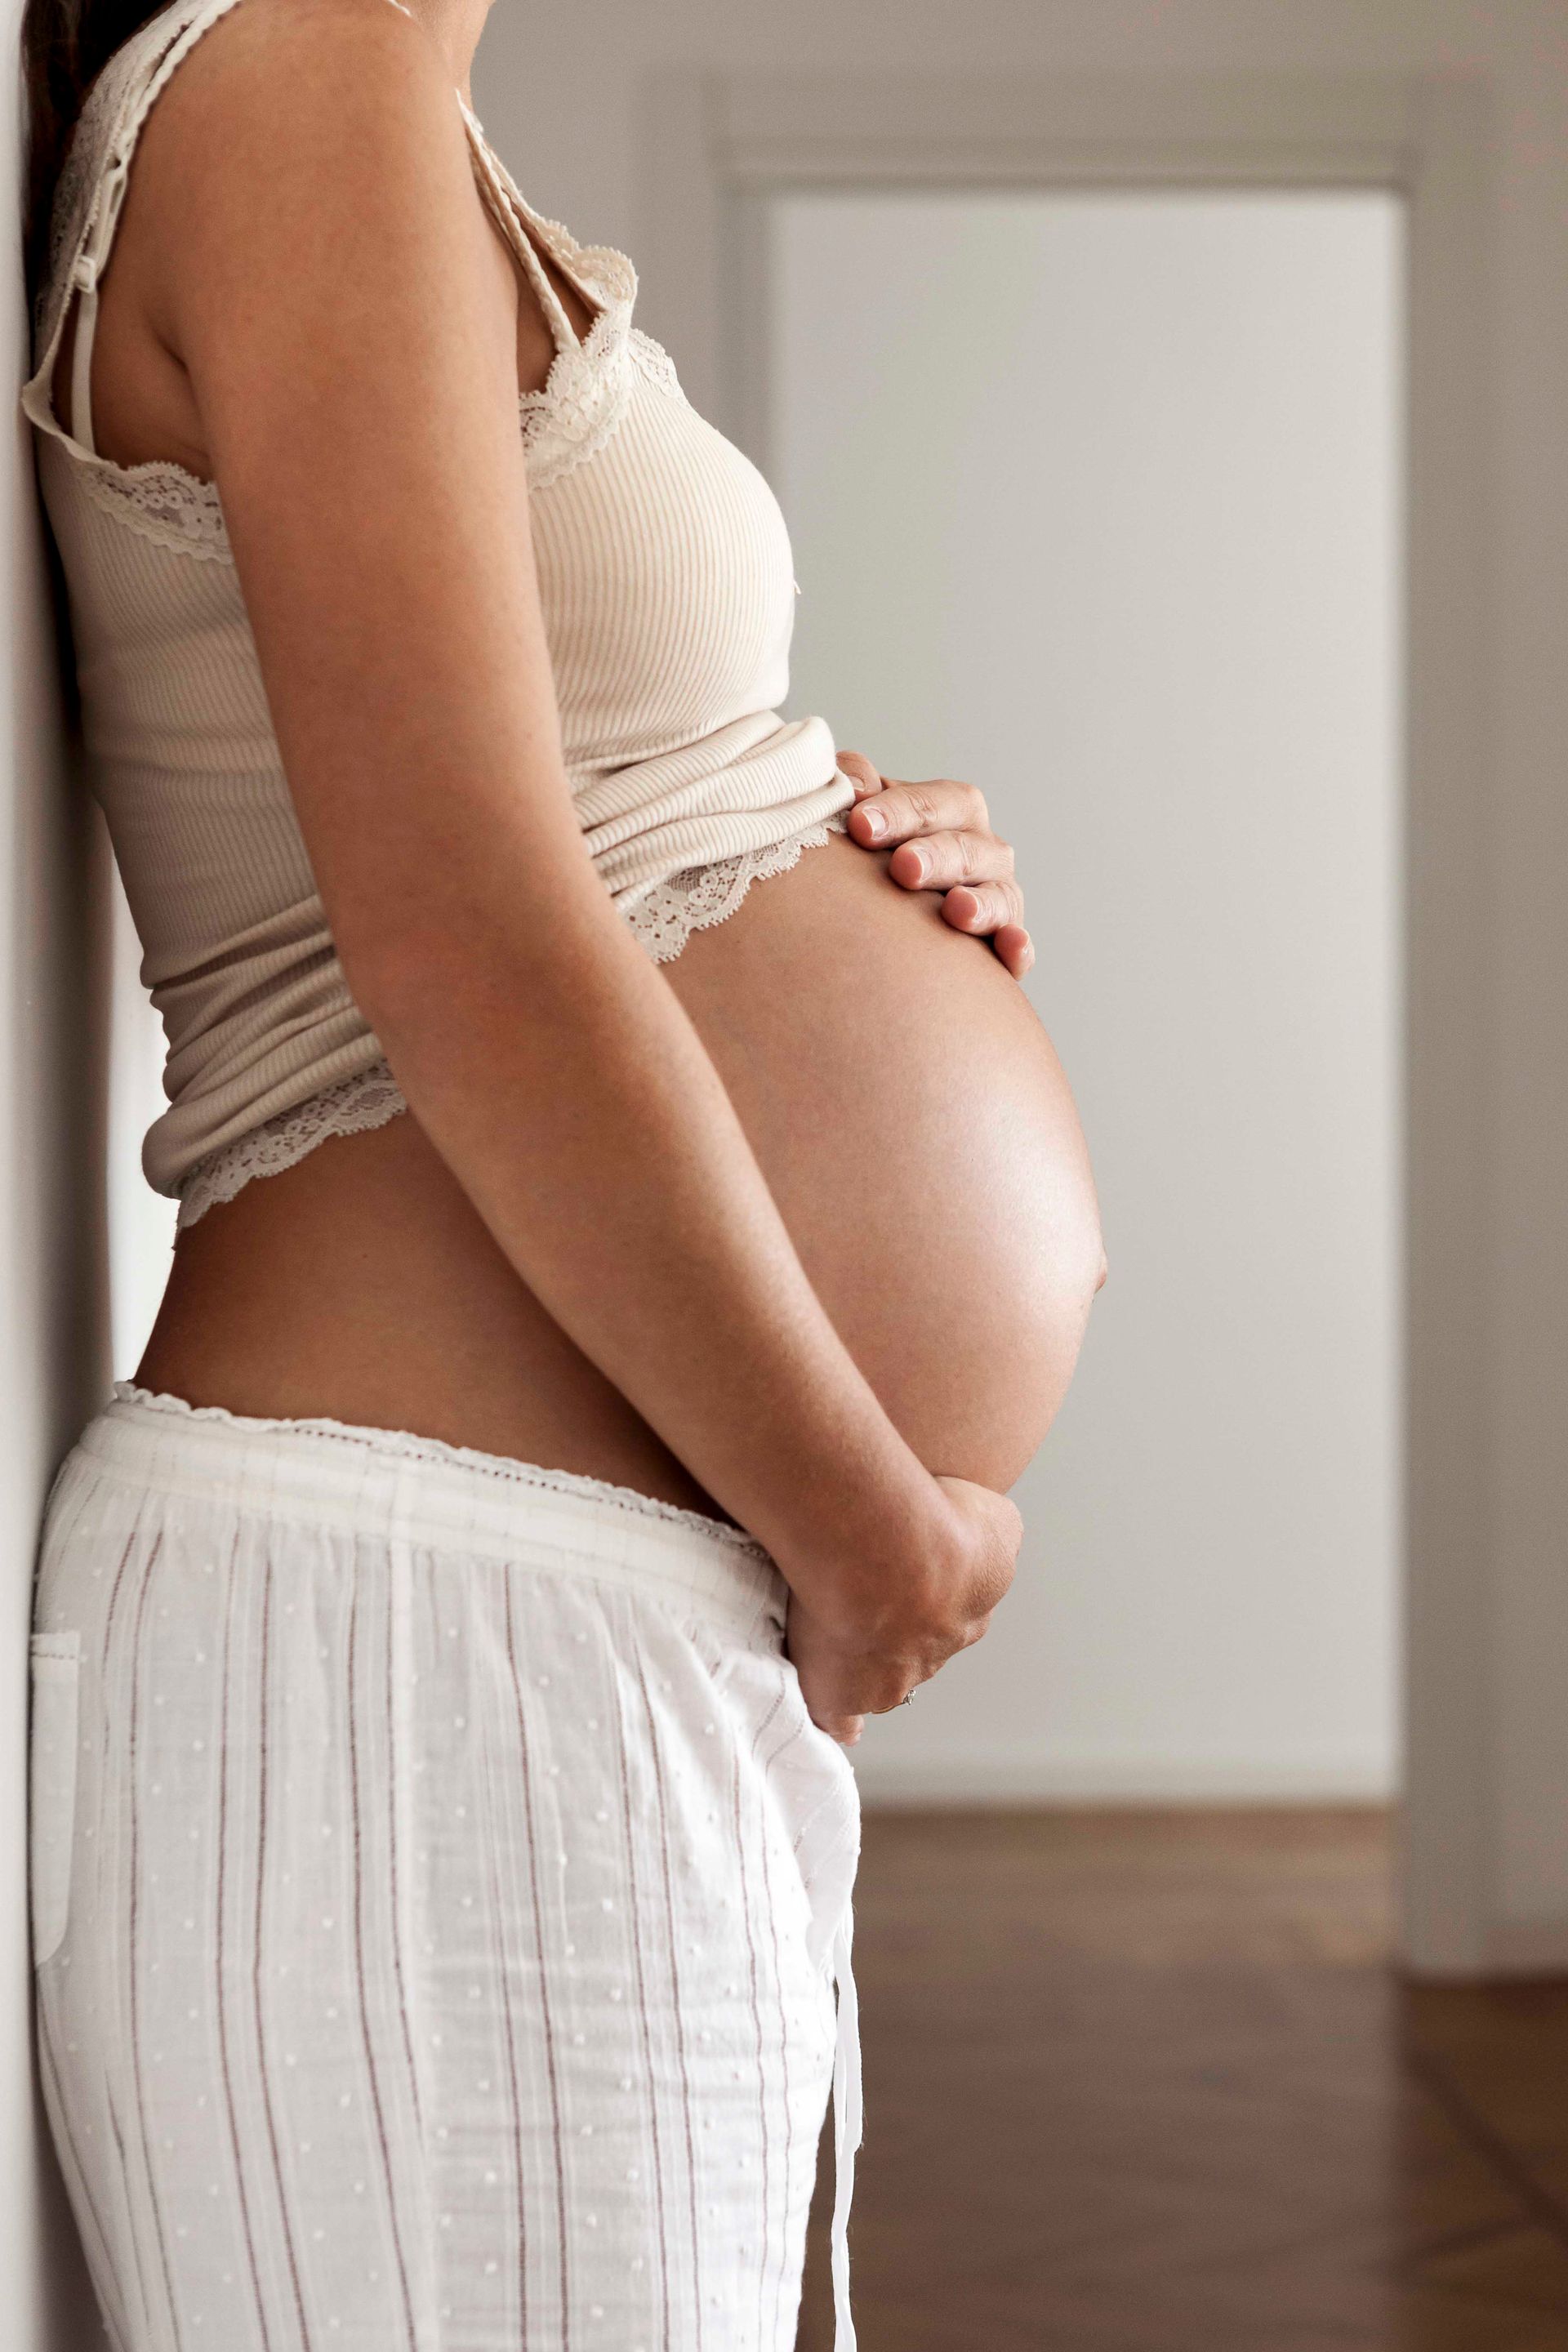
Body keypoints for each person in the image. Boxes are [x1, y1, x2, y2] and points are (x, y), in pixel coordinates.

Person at [20, 0, 1107, 2344]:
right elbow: (465, 940)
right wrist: (870, 1530)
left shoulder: (355, 93)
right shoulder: (294, 73)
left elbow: (519, 840)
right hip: (448, 1631)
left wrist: (806, 824)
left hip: (528, 1623)